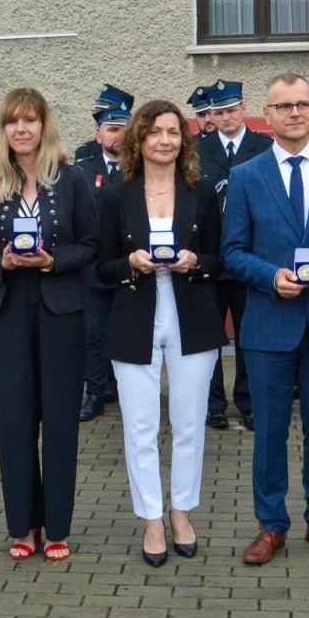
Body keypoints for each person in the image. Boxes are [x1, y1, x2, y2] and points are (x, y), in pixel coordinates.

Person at [220, 73, 309, 566]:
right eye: (284, 106)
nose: (295, 113)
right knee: (270, 432)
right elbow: (231, 251)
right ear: (267, 115)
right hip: (269, 325)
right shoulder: (246, 176)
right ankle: (271, 525)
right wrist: (269, 276)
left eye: (303, 104)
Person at [98, 99, 225, 565]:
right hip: (136, 312)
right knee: (141, 426)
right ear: (139, 139)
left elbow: (219, 258)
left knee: (189, 422)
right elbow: (101, 268)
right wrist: (130, 262)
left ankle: (181, 513)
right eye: (155, 132)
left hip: (193, 312)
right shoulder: (117, 196)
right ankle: (152, 518)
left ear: (183, 140)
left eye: (173, 132)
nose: (165, 140)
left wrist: (196, 261)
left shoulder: (201, 192)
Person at [0, 87, 99, 562]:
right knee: (14, 422)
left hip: (60, 312)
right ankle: (23, 525)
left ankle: (57, 526)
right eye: (12, 121)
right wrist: (3, 263)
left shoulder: (72, 180)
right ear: (3, 129)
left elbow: (90, 245)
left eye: (30, 120)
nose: (21, 129)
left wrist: (52, 261)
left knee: (60, 421)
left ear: (44, 125)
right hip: (7, 313)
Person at [197, 79, 272, 430]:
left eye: (231, 110)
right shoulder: (197, 150)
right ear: (211, 115)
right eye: (219, 112)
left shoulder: (265, 148)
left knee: (250, 337)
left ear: (244, 109)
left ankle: (249, 402)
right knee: (208, 338)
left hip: (251, 258)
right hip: (210, 258)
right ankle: (212, 404)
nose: (226, 117)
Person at [75, 102, 128, 421]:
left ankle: (128, 389)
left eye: (123, 129)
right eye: (112, 129)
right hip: (93, 267)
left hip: (130, 266)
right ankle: (95, 392)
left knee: (129, 333)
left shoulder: (142, 168)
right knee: (94, 333)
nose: (118, 136)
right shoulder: (82, 170)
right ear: (98, 135)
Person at [74, 84, 134, 163]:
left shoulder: (139, 153)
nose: (98, 118)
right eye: (97, 111)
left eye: (103, 112)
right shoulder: (86, 152)